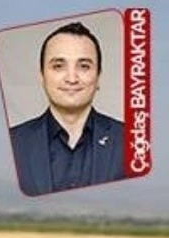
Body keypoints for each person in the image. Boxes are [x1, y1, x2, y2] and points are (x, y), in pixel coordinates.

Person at [9, 21, 125, 196]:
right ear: (42, 76)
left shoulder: (132, 141)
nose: (71, 78)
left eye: (84, 66)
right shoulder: (13, 142)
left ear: (98, 77)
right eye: (58, 66)